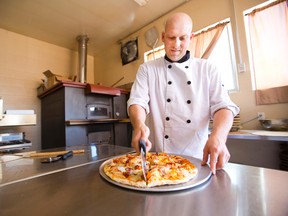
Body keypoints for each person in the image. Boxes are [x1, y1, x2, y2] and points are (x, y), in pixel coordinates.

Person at [127, 12, 240, 174]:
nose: (176, 45)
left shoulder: (207, 69)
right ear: (164, 37)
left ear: (191, 38)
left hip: (197, 160)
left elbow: (223, 106)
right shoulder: (148, 69)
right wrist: (139, 124)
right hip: (158, 160)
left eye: (182, 38)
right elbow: (137, 101)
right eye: (172, 37)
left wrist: (219, 137)